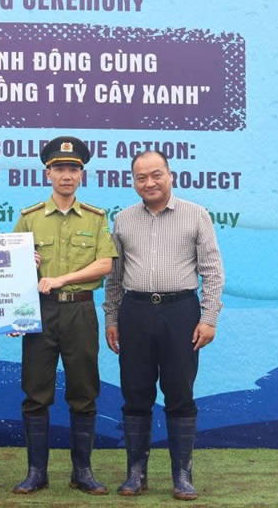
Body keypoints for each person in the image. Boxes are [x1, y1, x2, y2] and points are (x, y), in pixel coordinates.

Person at [104, 150, 224, 501]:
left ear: (171, 176)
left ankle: (182, 476)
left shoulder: (196, 215)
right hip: (135, 313)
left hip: (181, 312)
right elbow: (115, 276)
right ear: (133, 182)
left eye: (156, 175)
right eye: (141, 177)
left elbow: (213, 271)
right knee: (135, 394)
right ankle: (135, 474)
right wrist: (112, 317)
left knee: (180, 393)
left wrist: (209, 318)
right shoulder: (124, 220)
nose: (149, 182)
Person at [11, 136, 117, 495]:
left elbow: (105, 263)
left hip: (80, 310)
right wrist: (25, 267)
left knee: (84, 391)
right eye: (59, 169)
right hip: (39, 313)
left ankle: (82, 472)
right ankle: (36, 473)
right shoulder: (28, 219)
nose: (66, 175)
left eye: (73, 169)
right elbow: (10, 269)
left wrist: (63, 278)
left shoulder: (96, 218)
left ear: (81, 174)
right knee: (36, 392)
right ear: (48, 173)